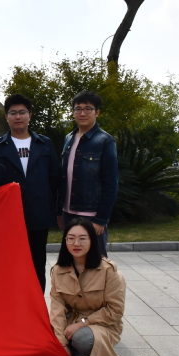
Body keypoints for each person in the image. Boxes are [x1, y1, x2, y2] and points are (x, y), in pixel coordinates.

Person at [0, 94, 61, 292]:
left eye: (22, 112)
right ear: (6, 116)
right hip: (10, 217)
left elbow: (55, 178)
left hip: (38, 214)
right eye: (13, 113)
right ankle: (13, 305)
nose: (18, 117)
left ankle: (37, 305)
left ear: (30, 115)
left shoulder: (44, 143)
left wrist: (56, 210)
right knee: (11, 264)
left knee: (37, 264)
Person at [49, 217, 126, 356]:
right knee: (52, 349)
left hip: (102, 325)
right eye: (71, 238)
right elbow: (57, 308)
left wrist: (82, 323)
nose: (76, 243)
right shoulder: (58, 270)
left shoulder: (109, 271)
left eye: (82, 238)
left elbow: (115, 311)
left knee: (83, 338)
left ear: (92, 240)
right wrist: (61, 344)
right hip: (71, 324)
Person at [58, 91, 118, 256]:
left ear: (97, 112)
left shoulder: (105, 141)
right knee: (71, 259)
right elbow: (64, 177)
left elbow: (111, 183)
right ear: (73, 112)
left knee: (96, 261)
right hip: (68, 213)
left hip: (92, 214)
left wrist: (101, 219)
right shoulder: (69, 138)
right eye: (78, 109)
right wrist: (59, 211)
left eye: (88, 109)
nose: (82, 113)